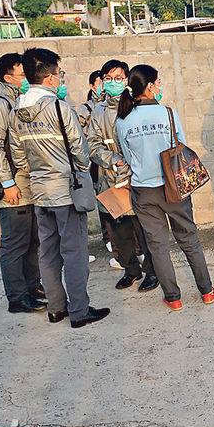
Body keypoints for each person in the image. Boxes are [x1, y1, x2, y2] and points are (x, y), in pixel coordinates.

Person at [8, 47, 111, 329]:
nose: (60, 78)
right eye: (59, 73)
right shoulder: (59, 107)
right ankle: (79, 311)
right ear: (51, 77)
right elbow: (80, 150)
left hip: (40, 192)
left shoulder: (17, 110)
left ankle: (56, 308)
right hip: (67, 190)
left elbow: (18, 155)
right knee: (74, 251)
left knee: (48, 251)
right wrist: (77, 169)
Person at [115, 64, 214, 312]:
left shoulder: (123, 120)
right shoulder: (168, 113)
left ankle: (172, 297)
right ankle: (206, 291)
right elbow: (180, 145)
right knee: (189, 239)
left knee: (157, 245)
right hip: (174, 187)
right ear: (149, 87)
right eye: (157, 82)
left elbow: (127, 156)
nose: (159, 86)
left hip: (143, 190)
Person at [0, 52, 46, 314]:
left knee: (31, 241)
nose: (27, 78)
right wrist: (7, 183)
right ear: (8, 78)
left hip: (28, 186)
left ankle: (33, 287)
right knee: (15, 243)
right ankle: (17, 297)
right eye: (22, 75)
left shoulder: (18, 101)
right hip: (13, 188)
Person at [88, 59, 158, 292]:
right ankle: (131, 270)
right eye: (108, 78)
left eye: (119, 78)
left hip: (138, 179)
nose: (113, 82)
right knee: (119, 230)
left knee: (144, 228)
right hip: (111, 178)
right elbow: (93, 145)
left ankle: (152, 270)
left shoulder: (137, 107)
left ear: (127, 80)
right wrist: (112, 160)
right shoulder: (97, 112)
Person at [78, 69, 111, 264]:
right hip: (94, 161)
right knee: (102, 199)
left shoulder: (111, 107)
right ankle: (107, 236)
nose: (103, 86)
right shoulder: (85, 109)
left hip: (111, 159)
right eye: (100, 82)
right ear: (92, 86)